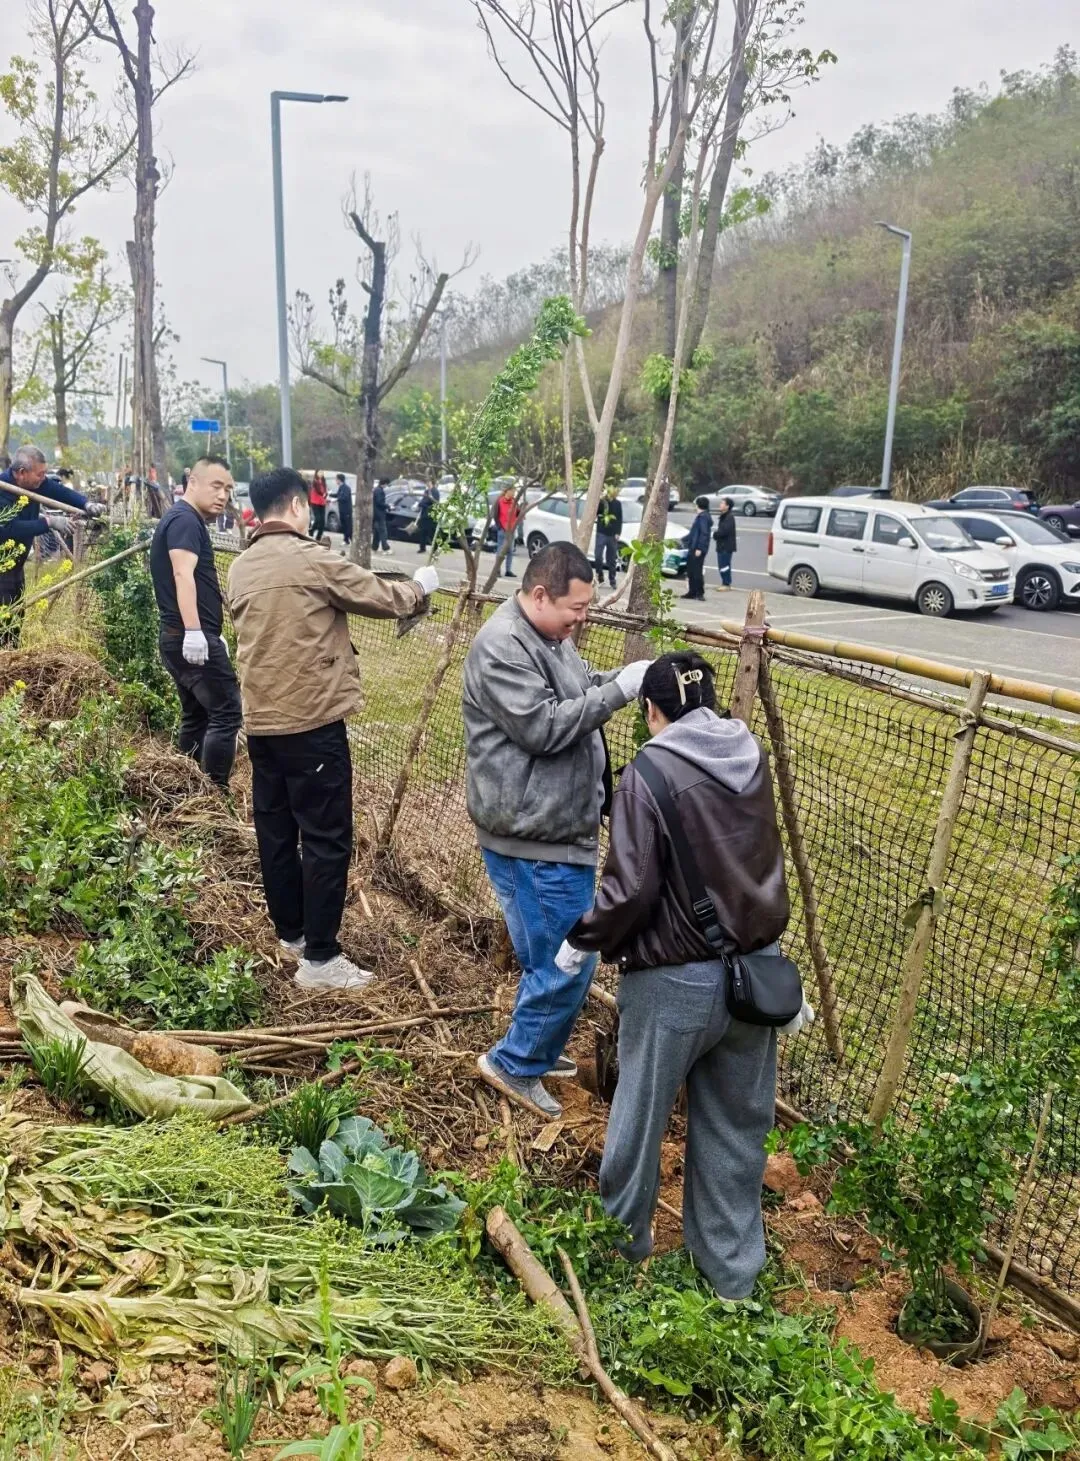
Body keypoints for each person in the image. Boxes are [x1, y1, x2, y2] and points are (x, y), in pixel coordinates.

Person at [559, 651, 807, 1300]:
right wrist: (771, 950)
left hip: (672, 984)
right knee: (736, 1133)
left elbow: (630, 890)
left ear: (651, 710)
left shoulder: (647, 774)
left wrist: (584, 938)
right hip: (753, 979)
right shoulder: (750, 757)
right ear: (711, 701)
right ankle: (731, 1282)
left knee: (638, 1124)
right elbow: (761, 862)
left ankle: (617, 1264)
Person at [227, 467, 440, 994]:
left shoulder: (241, 566)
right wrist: (420, 586)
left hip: (262, 724)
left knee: (277, 832)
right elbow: (380, 596)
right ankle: (321, 958)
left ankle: (292, 934)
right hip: (311, 722)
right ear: (298, 505)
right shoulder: (311, 558)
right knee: (326, 837)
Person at [463, 540, 651, 1118]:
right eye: (577, 608)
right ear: (541, 595)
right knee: (568, 958)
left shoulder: (548, 636)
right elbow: (543, 727)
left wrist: (629, 678)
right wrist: (619, 693)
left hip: (548, 828)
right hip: (535, 837)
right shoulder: (502, 646)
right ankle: (516, 1063)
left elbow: (582, 683)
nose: (582, 619)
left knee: (549, 954)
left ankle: (537, 1049)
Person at [149, 455, 244, 788]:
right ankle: (214, 795)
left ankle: (186, 788)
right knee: (227, 713)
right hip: (187, 636)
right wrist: (194, 631)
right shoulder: (185, 521)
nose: (223, 495)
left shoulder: (184, 519)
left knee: (198, 715)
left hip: (183, 636)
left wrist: (209, 632)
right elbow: (182, 574)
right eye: (216, 486)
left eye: (228, 489)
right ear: (192, 482)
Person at [0, 445, 104, 648]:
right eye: (40, 474)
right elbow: (8, 529)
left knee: (15, 620)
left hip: (16, 566)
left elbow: (59, 491)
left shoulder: (34, 484)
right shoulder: (3, 490)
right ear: (21, 472)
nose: (43, 478)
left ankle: (11, 657)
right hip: (1, 565)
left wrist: (86, 504)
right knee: (3, 620)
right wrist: (48, 522)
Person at [594, 484, 623, 589]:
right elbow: (596, 513)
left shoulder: (617, 503)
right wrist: (600, 500)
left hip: (612, 535)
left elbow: (619, 519)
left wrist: (618, 532)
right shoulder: (602, 502)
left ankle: (612, 579)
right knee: (598, 556)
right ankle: (600, 577)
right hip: (601, 532)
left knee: (611, 559)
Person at [684, 495, 712, 601]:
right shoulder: (701, 516)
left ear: (698, 505)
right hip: (693, 547)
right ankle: (692, 592)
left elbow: (704, 534)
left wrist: (699, 548)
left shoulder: (703, 517)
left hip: (697, 548)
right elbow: (694, 533)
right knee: (691, 570)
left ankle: (699, 593)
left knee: (697, 571)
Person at [494, 482, 519, 578]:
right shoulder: (499, 501)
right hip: (502, 529)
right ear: (507, 491)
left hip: (511, 530)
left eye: (515, 492)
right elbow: (495, 515)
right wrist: (499, 526)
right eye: (513, 491)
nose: (514, 493)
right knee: (500, 551)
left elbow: (518, 512)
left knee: (510, 551)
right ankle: (497, 570)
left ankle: (508, 570)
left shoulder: (514, 501)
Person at [714, 496, 736, 590]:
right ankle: (725, 583)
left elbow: (724, 531)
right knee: (722, 565)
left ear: (727, 506)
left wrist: (715, 534)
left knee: (724, 565)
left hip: (726, 546)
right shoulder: (724, 516)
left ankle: (726, 584)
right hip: (722, 545)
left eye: (722, 503)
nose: (720, 504)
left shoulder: (729, 517)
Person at [416, 481, 439, 553]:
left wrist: (423, 504)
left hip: (430, 515)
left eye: (429, 482)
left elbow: (435, 503)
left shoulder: (435, 491)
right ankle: (422, 548)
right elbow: (423, 500)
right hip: (424, 515)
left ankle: (435, 549)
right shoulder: (426, 491)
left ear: (432, 483)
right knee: (422, 532)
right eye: (427, 482)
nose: (427, 483)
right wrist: (420, 504)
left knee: (431, 533)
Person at [309, 471, 329, 541]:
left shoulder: (323, 482)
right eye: (319, 472)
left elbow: (325, 492)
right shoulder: (315, 482)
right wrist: (323, 494)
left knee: (322, 521)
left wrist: (326, 495)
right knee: (318, 519)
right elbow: (319, 491)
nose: (321, 474)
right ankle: (311, 530)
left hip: (322, 502)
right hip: (315, 502)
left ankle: (319, 536)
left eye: (322, 472)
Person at [372, 479, 391, 553]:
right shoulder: (380, 491)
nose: (387, 486)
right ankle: (385, 548)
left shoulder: (376, 490)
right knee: (383, 531)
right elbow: (379, 502)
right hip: (380, 514)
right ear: (384, 483)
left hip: (376, 513)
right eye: (387, 484)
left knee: (377, 531)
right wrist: (388, 506)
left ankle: (374, 547)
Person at [335, 474, 353, 548]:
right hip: (341, 510)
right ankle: (346, 540)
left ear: (339, 480)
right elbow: (338, 495)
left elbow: (344, 497)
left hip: (347, 510)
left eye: (336, 479)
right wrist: (329, 495)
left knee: (348, 525)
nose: (336, 481)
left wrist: (337, 499)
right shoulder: (341, 487)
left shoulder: (346, 488)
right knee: (344, 525)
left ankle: (352, 540)